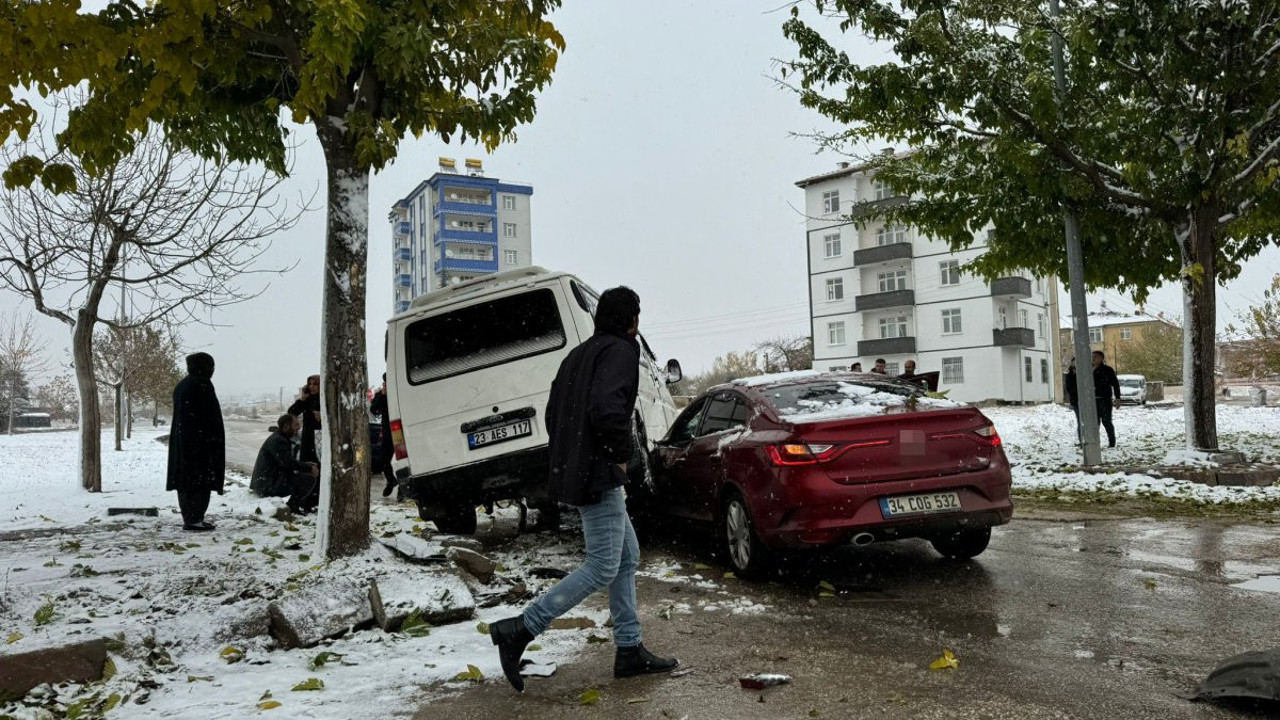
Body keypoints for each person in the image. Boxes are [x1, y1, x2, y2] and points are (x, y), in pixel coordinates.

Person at [489, 287, 678, 692]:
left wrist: (574, 454)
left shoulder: (578, 355)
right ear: (632, 320)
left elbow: (552, 412)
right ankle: (521, 629)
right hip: (599, 472)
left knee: (627, 556)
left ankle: (629, 649)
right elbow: (608, 410)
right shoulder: (622, 351)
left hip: (579, 470)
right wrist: (619, 455)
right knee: (603, 565)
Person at [166, 352, 225, 532]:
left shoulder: (183, 385)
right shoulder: (201, 384)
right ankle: (194, 519)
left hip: (185, 443)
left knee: (187, 483)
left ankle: (192, 518)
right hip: (200, 446)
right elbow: (209, 417)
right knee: (199, 483)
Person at [250, 414, 320, 514]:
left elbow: (286, 462)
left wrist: (306, 465)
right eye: (296, 425)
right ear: (287, 426)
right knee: (309, 479)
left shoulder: (280, 437)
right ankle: (293, 508)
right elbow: (289, 464)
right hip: (267, 485)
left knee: (303, 476)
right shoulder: (278, 440)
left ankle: (295, 506)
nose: (299, 428)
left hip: (269, 481)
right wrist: (309, 468)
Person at [369, 375, 396, 497]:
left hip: (402, 428)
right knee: (384, 459)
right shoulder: (382, 395)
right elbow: (374, 409)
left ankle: (403, 488)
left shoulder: (399, 390)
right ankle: (391, 481)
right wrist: (382, 394)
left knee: (405, 459)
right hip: (389, 430)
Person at [288, 374, 322, 464]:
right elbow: (291, 412)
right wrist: (302, 398)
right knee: (307, 467)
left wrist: (324, 417)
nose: (311, 387)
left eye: (315, 384)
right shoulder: (307, 400)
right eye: (309, 384)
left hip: (321, 439)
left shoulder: (326, 399)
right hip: (307, 438)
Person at [1092, 351, 1122, 447]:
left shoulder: (1107, 370)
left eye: (1096, 357)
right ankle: (1095, 442)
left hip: (1104, 399)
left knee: (1106, 421)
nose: (1093, 359)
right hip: (1092, 400)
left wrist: (1117, 398)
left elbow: (1115, 384)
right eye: (1092, 357)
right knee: (1094, 422)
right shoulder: (1089, 370)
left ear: (1101, 359)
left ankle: (1112, 442)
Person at [1065, 362, 1081, 442]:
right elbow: (1069, 389)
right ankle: (1082, 440)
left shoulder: (1084, 371)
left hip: (1086, 400)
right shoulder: (1070, 375)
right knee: (1080, 420)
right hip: (1076, 401)